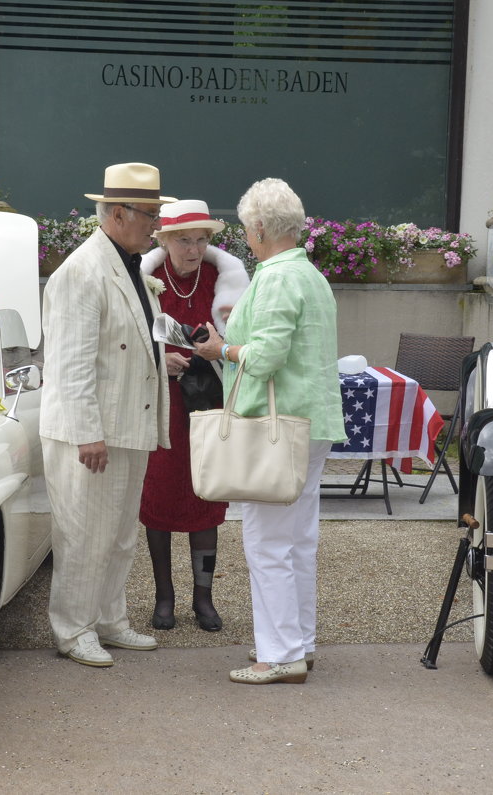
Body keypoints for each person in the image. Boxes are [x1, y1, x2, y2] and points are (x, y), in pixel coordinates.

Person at [193, 177, 345, 684]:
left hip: (277, 425)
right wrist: (241, 328)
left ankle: (280, 655)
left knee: (268, 542)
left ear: (259, 227)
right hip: (310, 421)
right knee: (297, 539)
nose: (244, 237)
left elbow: (266, 356)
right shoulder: (307, 274)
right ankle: (298, 644)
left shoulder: (277, 276)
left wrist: (224, 349)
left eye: (245, 228)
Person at [40, 162, 174, 667]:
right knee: (83, 536)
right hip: (92, 432)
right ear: (117, 214)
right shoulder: (83, 270)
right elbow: (70, 364)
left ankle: (110, 620)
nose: (155, 225)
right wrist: (87, 434)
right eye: (149, 215)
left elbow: (128, 343)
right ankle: (73, 630)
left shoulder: (130, 265)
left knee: (118, 535)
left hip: (125, 423)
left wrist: (167, 359)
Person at [139, 199, 250, 632]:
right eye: (184, 240)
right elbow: (125, 341)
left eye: (202, 240)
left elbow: (241, 338)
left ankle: (203, 598)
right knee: (160, 499)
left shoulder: (221, 281)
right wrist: (158, 361)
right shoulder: (145, 280)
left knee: (207, 497)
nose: (194, 249)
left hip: (208, 405)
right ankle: (164, 598)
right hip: (162, 406)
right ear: (163, 240)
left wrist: (218, 345)